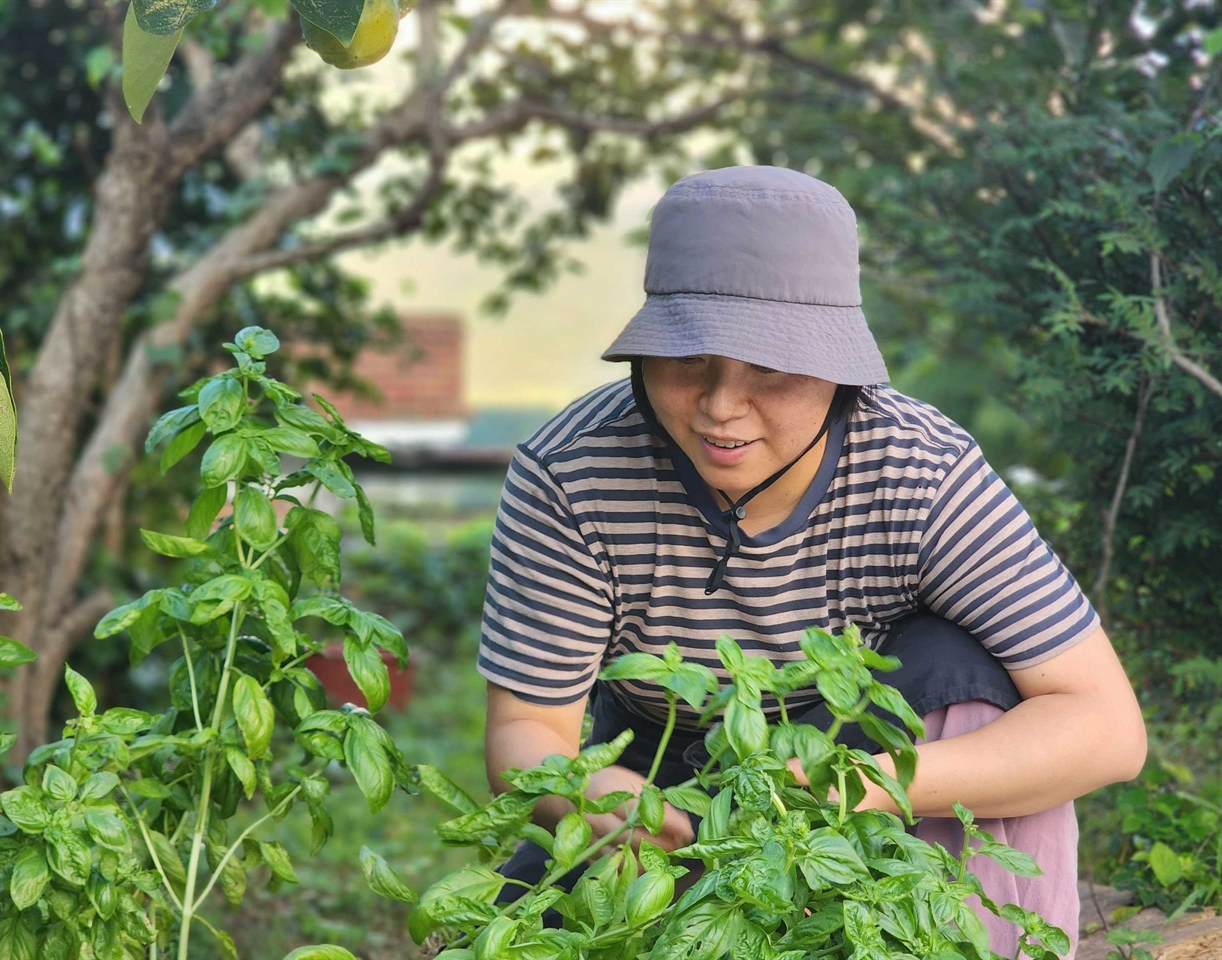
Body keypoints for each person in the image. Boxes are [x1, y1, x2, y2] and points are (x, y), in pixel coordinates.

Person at [476, 164, 1145, 957]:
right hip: (668, 792)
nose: (722, 406)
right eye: (688, 359)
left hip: (884, 785)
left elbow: (1105, 728)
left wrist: (846, 789)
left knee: (967, 664)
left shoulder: (918, 471)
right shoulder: (574, 474)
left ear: (838, 371)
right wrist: (598, 799)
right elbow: (527, 727)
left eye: (771, 367)